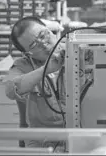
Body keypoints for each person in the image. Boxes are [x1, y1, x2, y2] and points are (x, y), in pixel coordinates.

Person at [4, 17, 66, 148]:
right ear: (27, 53)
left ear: (50, 30)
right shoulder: (23, 65)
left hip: (80, 132)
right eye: (33, 45)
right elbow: (11, 89)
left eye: (43, 35)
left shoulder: (76, 50)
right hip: (43, 140)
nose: (43, 44)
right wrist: (46, 69)